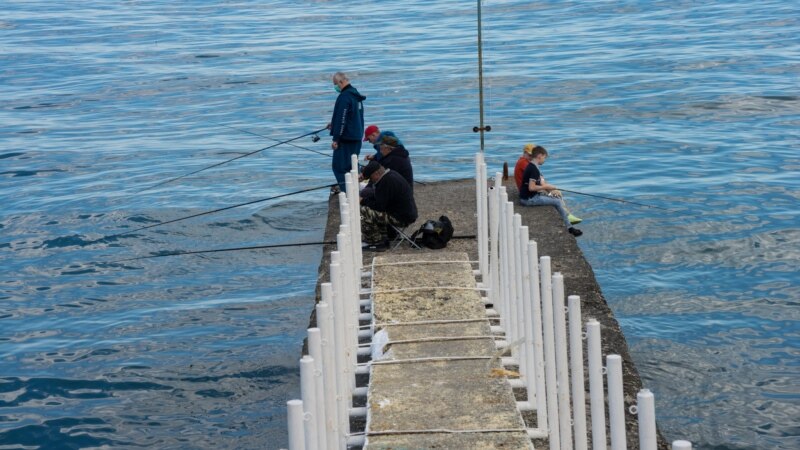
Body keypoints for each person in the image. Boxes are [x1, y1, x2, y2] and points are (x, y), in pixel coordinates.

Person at [519, 146, 583, 237]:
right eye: (544, 157)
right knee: (557, 201)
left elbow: (537, 182)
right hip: (529, 199)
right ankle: (569, 228)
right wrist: (547, 186)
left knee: (555, 197)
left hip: (527, 196)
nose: (544, 160)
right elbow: (531, 188)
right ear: (540, 156)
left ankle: (567, 220)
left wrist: (548, 188)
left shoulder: (531, 166)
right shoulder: (533, 169)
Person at [359, 161, 418, 251]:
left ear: (376, 173)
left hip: (401, 218)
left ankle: (376, 242)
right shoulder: (390, 174)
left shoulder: (386, 182)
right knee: (373, 209)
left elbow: (379, 206)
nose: (371, 181)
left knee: (364, 211)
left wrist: (363, 200)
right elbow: (381, 200)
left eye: (371, 178)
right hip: (406, 213)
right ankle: (382, 237)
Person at [328, 72, 366, 194]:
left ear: (341, 82)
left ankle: (348, 192)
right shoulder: (355, 95)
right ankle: (356, 190)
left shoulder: (344, 97)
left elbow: (342, 119)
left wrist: (336, 139)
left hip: (346, 140)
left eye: (335, 84)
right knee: (352, 166)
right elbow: (353, 117)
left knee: (339, 167)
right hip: (357, 137)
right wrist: (333, 124)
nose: (335, 87)